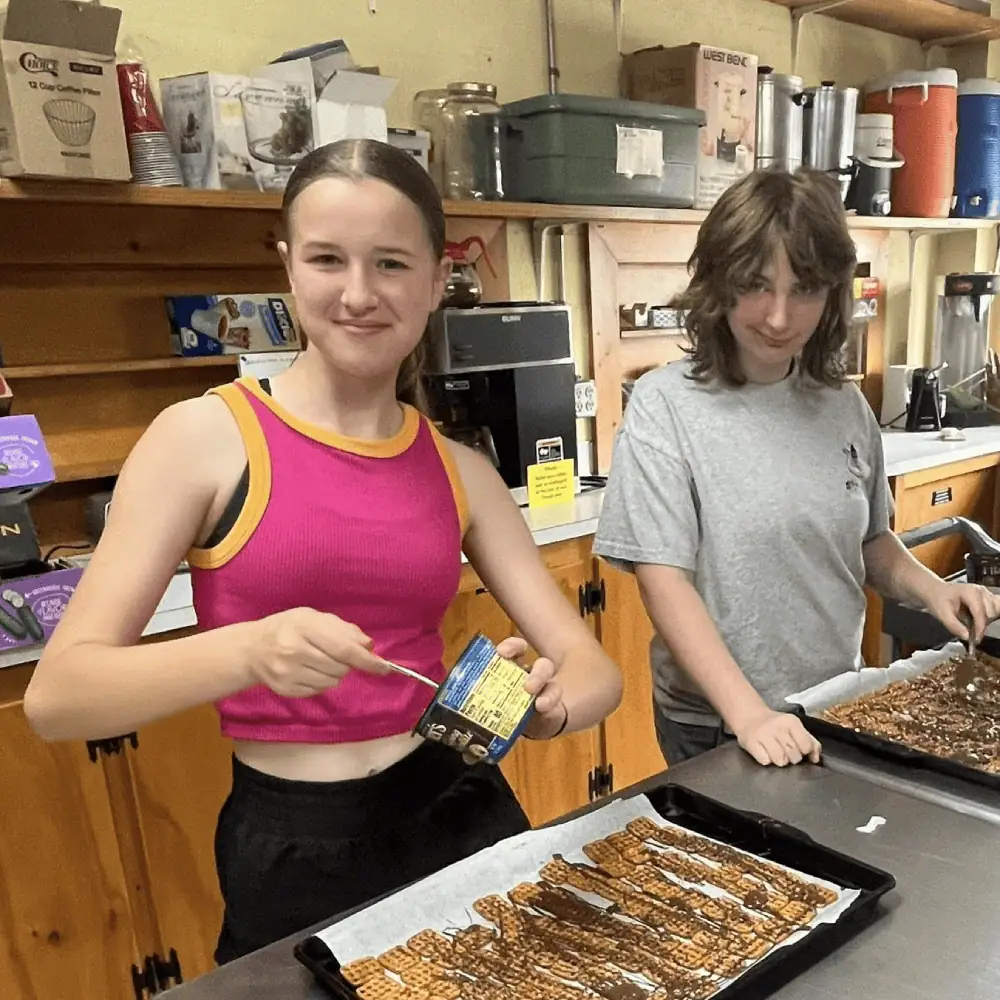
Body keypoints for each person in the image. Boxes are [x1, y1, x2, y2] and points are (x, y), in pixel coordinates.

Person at [24, 139, 623, 963]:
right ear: (288, 267)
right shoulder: (204, 439)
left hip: (459, 803)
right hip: (295, 848)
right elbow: (59, 697)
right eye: (327, 259)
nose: (358, 294)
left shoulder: (461, 469)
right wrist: (247, 651)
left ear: (432, 274)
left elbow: (595, 672)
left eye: (390, 263)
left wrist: (547, 705)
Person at [593, 168, 1000, 770]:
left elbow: (869, 542)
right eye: (756, 285)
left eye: (804, 289)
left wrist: (933, 590)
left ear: (832, 293)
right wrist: (748, 714)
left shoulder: (841, 403)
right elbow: (665, 582)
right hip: (717, 722)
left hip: (836, 703)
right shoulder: (666, 406)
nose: (780, 317)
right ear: (718, 282)